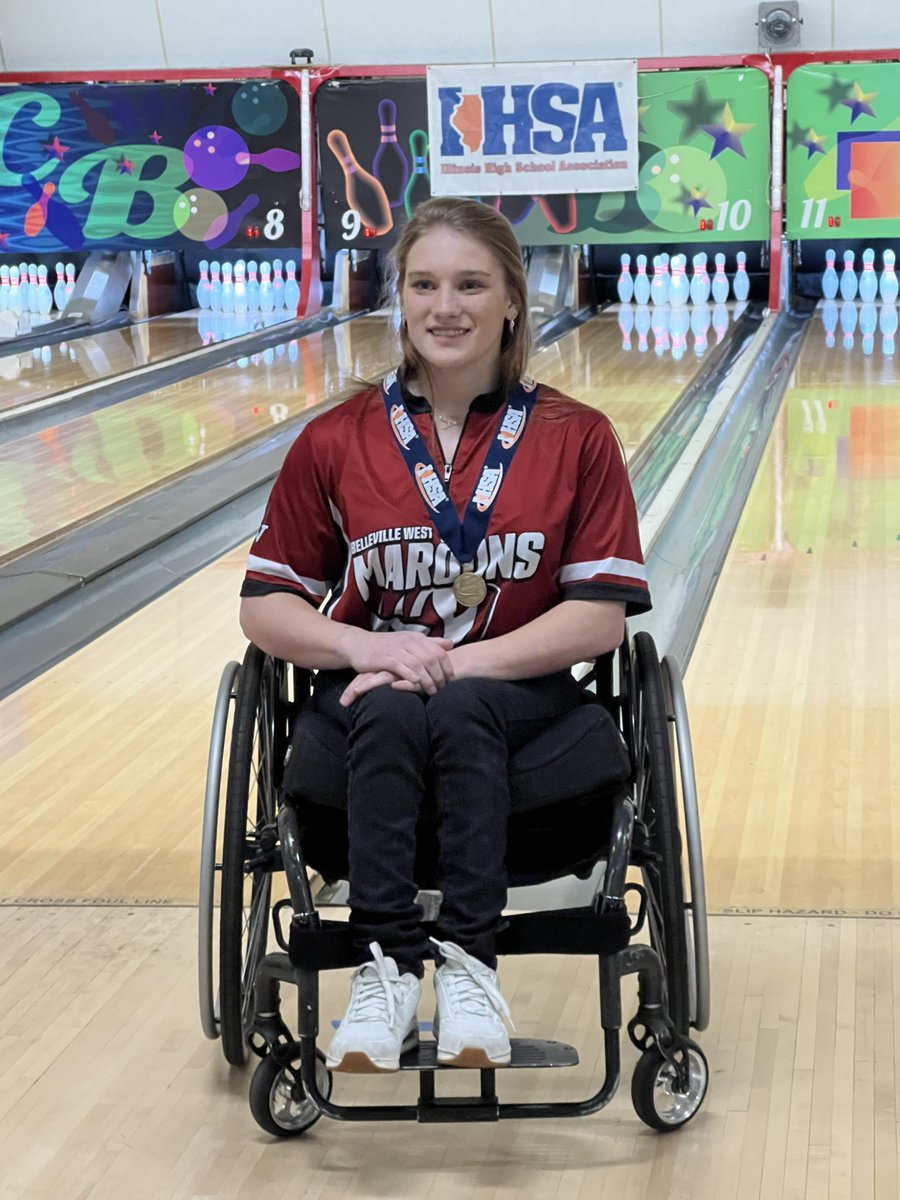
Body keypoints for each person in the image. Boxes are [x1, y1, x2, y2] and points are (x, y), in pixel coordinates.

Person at [239, 196, 651, 1074]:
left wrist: (453, 665)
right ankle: (385, 971)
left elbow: (599, 616)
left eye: (471, 284)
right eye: (424, 284)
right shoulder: (335, 441)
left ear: (513, 301)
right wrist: (368, 648)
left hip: (526, 704)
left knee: (458, 705)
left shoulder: (577, 437)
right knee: (393, 708)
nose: (445, 306)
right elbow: (266, 605)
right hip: (366, 703)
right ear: (401, 298)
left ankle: (469, 970)